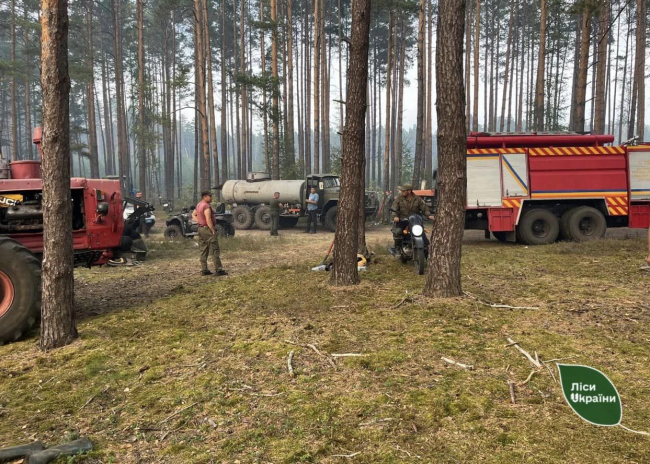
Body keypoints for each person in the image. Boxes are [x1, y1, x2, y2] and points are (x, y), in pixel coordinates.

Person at [391, 184, 434, 250]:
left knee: (421, 233)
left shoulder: (418, 199)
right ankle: (397, 249)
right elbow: (394, 208)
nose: (402, 192)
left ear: (409, 191)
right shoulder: (398, 199)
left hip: (415, 220)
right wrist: (395, 216)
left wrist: (429, 215)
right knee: (398, 231)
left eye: (403, 191)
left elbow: (424, 208)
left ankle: (426, 250)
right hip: (402, 220)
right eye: (401, 191)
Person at [196, 191, 227, 276]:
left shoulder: (199, 204)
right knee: (214, 248)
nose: (211, 198)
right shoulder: (206, 206)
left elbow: (194, 214)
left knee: (203, 249)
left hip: (200, 229)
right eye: (210, 196)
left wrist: (199, 221)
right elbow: (208, 219)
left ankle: (204, 269)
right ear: (205, 196)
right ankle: (219, 269)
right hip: (207, 229)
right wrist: (213, 230)